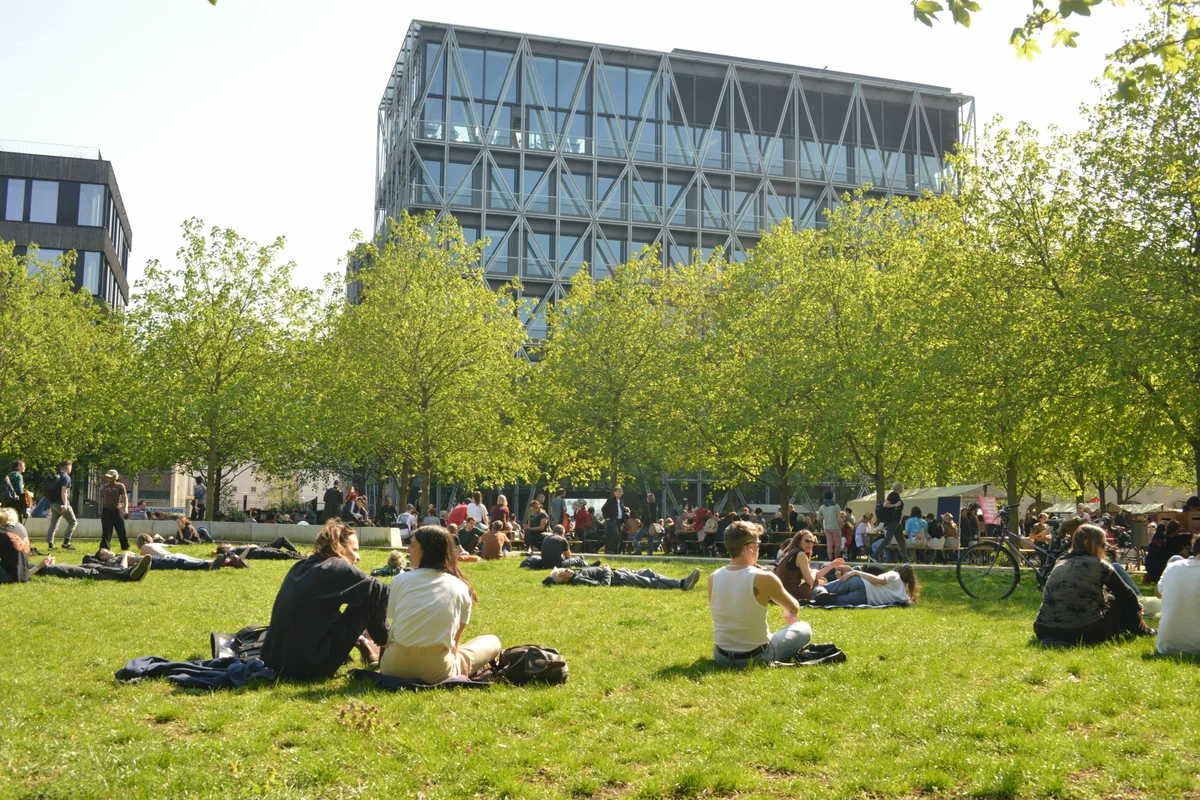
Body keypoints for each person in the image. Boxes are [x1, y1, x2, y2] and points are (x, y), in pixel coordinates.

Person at [261, 520, 389, 680]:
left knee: (368, 590)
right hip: (308, 668)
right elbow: (385, 593)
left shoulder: (301, 566)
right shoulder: (337, 567)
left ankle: (377, 648)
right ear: (339, 547)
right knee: (372, 594)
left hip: (273, 661)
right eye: (354, 550)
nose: (358, 557)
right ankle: (388, 651)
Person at [379, 525, 501, 683]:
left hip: (393, 667)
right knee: (492, 641)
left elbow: (393, 622)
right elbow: (454, 645)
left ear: (427, 551)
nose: (408, 550)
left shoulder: (399, 580)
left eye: (413, 545)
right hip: (436, 671)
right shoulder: (460, 587)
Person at [708, 521, 812, 667]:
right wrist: (789, 613)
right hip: (756, 656)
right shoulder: (764, 578)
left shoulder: (713, 577)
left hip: (721, 655)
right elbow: (794, 607)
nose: (759, 548)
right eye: (758, 544)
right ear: (750, 547)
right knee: (804, 627)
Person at [1033, 524, 1155, 644]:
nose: (1105, 549)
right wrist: (1137, 610)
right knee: (1120, 599)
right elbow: (1126, 593)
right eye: (1103, 545)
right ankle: (1142, 629)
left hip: (1043, 628)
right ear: (1088, 543)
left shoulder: (1061, 561)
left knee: (1111, 596)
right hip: (1081, 630)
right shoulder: (1098, 565)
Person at [1155, 539, 1200, 656]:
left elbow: (1158, 593)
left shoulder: (1173, 566)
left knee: (1175, 559)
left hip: (1167, 646)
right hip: (1197, 648)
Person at [774, 533, 844, 602]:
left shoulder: (790, 552)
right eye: (807, 541)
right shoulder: (800, 554)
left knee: (820, 581)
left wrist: (831, 565)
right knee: (820, 582)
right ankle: (823, 594)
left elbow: (815, 576)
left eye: (812, 542)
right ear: (798, 541)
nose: (810, 544)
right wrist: (814, 571)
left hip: (782, 592)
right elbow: (810, 581)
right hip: (791, 593)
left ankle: (823, 594)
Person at [813, 564, 919, 606]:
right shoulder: (904, 597)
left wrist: (856, 572)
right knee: (833, 601)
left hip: (860, 583)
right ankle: (822, 599)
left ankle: (821, 593)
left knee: (821, 587)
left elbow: (878, 580)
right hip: (864, 599)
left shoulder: (895, 575)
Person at [544, 563, 701, 590]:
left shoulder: (576, 573)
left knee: (649, 571)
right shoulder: (578, 580)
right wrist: (606, 571)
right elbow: (603, 586)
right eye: (564, 571)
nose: (567, 569)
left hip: (620, 571)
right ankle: (682, 584)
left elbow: (547, 580)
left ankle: (681, 582)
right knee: (650, 581)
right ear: (564, 579)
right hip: (619, 578)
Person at [132, 536, 224, 570]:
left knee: (190, 563)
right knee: (195, 560)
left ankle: (211, 564)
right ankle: (214, 562)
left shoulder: (145, 547)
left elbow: (143, 560)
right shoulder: (155, 545)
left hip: (169, 558)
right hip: (175, 554)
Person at [44, 460, 77, 551]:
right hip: (61, 504)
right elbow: (64, 492)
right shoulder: (66, 477)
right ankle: (66, 543)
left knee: (53, 525)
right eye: (71, 466)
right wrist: (65, 504)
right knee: (73, 522)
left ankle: (50, 545)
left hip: (53, 504)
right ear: (68, 467)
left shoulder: (56, 477)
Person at [874, 481, 907, 562]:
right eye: (902, 487)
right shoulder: (893, 494)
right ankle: (874, 555)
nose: (903, 488)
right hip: (893, 521)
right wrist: (896, 505)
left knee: (902, 541)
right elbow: (885, 504)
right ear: (900, 488)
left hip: (897, 521)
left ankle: (905, 559)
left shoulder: (896, 495)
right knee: (888, 539)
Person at [215, 536, 302, 562]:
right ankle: (300, 557)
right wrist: (249, 548)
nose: (229, 544)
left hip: (261, 548)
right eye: (226, 545)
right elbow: (239, 559)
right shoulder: (230, 553)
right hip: (257, 552)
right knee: (279, 554)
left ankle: (297, 553)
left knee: (282, 539)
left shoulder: (235, 549)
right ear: (224, 549)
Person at [817, 492, 843, 560]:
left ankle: (830, 559)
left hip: (827, 527)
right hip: (836, 527)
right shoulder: (836, 506)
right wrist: (841, 525)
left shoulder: (822, 507)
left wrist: (824, 516)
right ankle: (836, 559)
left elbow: (818, 518)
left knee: (829, 544)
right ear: (832, 497)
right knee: (837, 545)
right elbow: (839, 518)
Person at [601, 485, 625, 555]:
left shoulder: (621, 501)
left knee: (618, 536)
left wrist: (623, 521)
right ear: (615, 492)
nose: (620, 493)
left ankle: (615, 550)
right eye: (618, 492)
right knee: (614, 534)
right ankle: (609, 549)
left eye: (621, 492)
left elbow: (622, 511)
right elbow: (604, 508)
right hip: (612, 520)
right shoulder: (611, 499)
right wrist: (606, 517)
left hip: (619, 521)